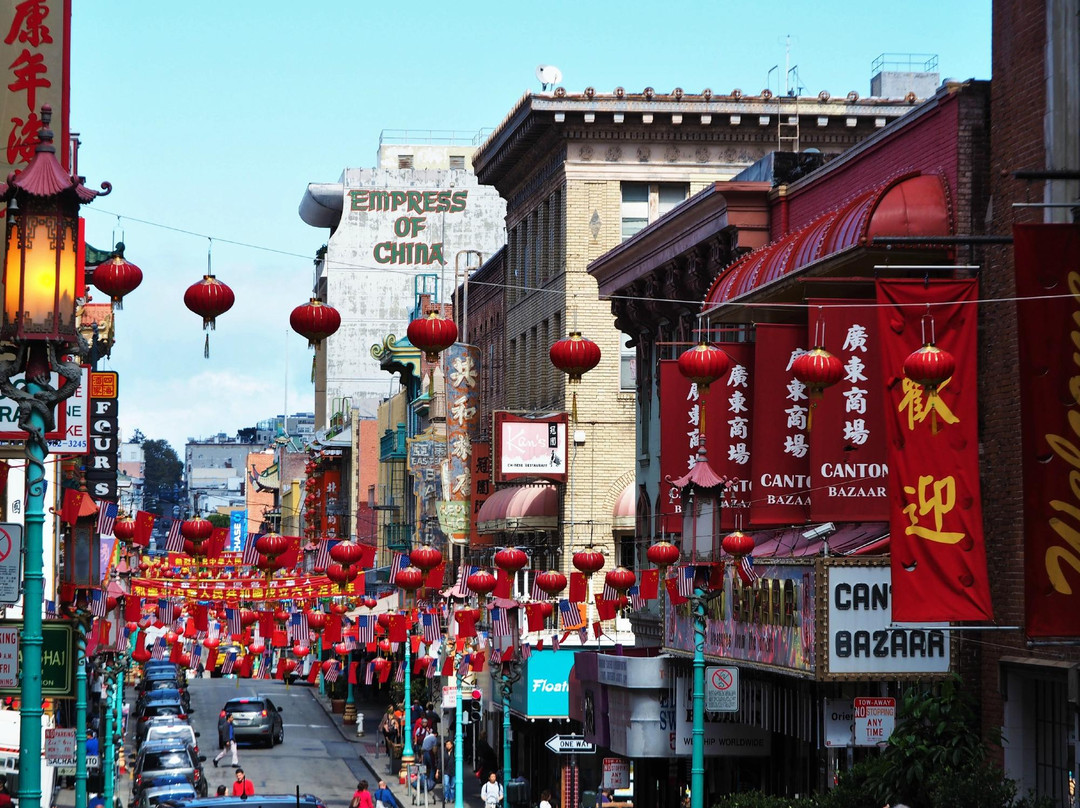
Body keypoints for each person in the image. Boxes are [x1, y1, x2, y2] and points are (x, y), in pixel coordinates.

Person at [441, 738, 455, 803]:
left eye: (449, 744)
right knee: (446, 784)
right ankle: (446, 797)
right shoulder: (444, 752)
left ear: (452, 745)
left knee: (452, 786)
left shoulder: (454, 752)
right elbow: (441, 761)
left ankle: (452, 798)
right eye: (446, 744)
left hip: (453, 771)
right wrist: (438, 770)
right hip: (446, 771)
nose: (447, 746)